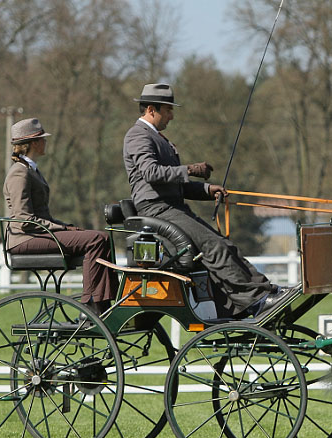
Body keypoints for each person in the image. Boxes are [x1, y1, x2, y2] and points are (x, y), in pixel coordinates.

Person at [122, 83, 285, 318]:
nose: (171, 115)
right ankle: (257, 300)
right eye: (167, 109)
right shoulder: (137, 135)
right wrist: (188, 169)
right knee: (213, 246)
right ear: (151, 109)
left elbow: (172, 182)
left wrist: (208, 190)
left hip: (171, 207)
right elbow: (151, 173)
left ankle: (259, 294)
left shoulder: (159, 139)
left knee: (222, 243)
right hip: (156, 210)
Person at [2, 117, 117, 315]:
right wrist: (61, 228)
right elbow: (24, 220)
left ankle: (102, 302)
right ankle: (91, 305)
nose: (46, 143)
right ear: (34, 143)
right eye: (43, 139)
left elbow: (39, 216)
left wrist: (65, 226)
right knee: (96, 239)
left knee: (102, 237)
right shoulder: (19, 173)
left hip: (36, 234)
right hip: (24, 238)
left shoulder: (31, 170)